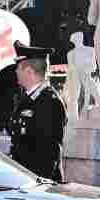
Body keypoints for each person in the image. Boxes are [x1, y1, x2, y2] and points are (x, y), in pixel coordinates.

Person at [9, 42, 67, 182]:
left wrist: (38, 184)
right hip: (24, 179)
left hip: (38, 184)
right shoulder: (28, 99)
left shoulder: (49, 102)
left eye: (18, 68)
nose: (16, 72)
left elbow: (49, 153)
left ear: (28, 71)